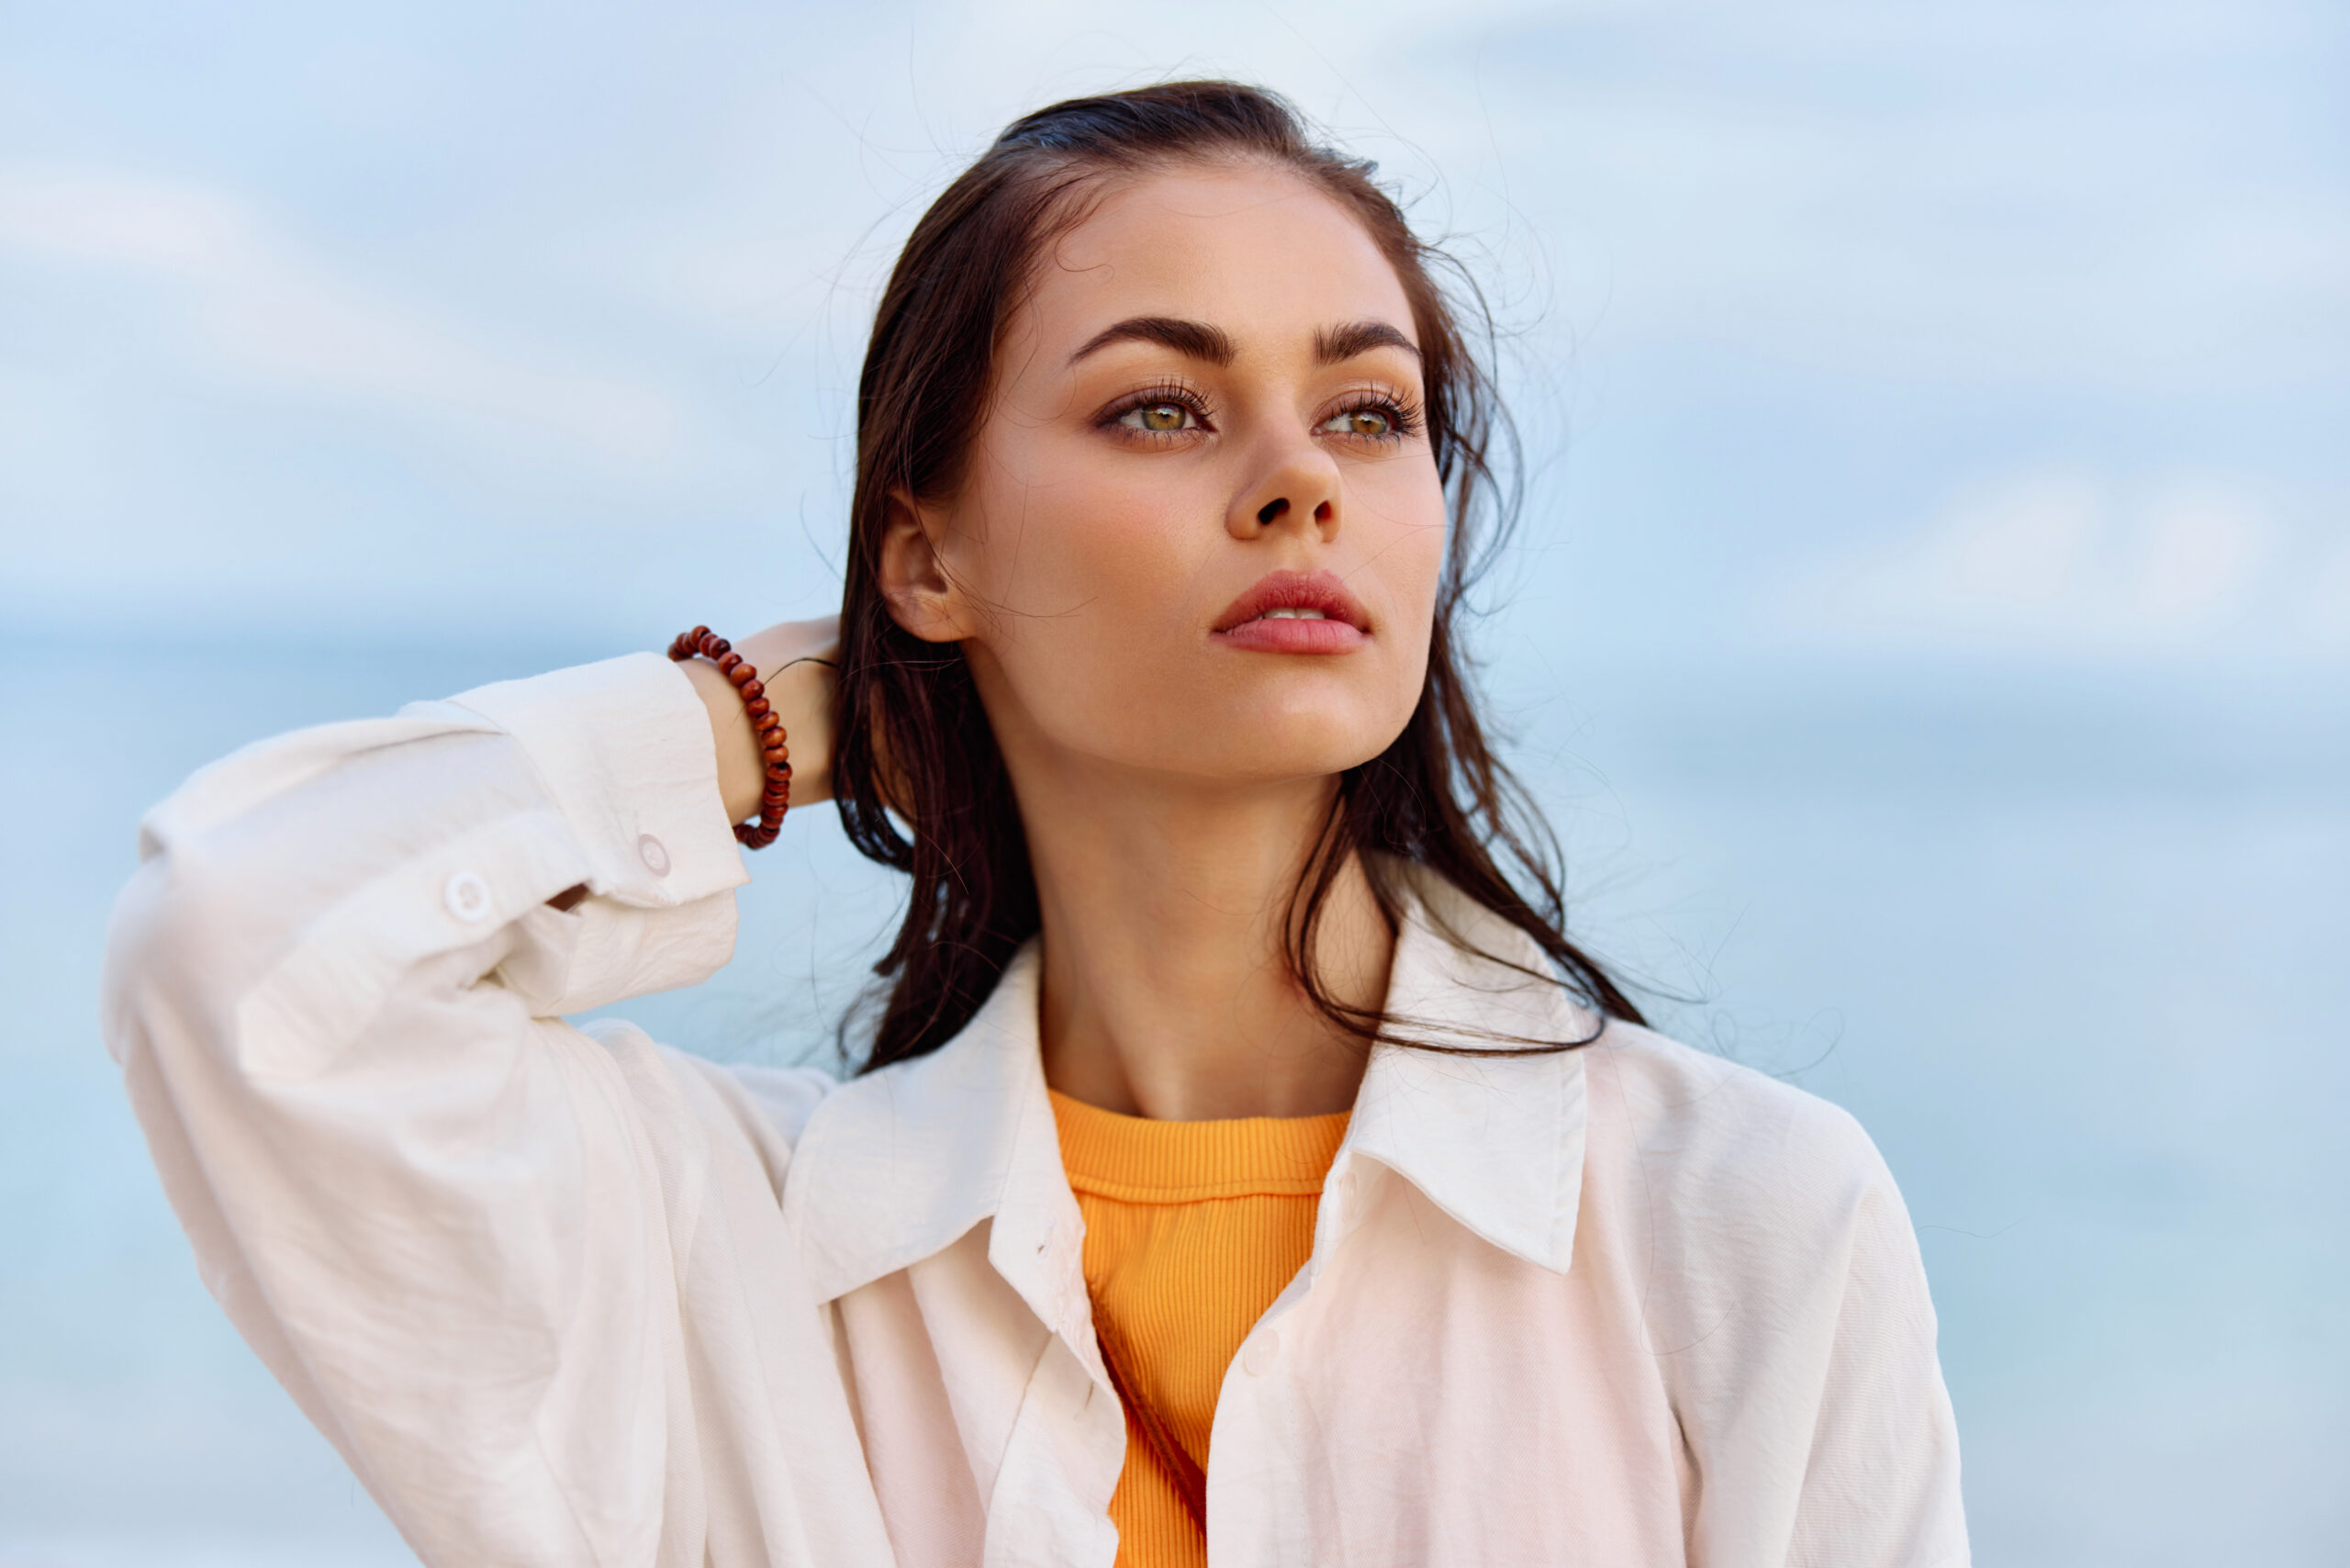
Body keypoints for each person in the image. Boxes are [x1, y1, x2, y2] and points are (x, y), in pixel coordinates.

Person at [101, 81, 1968, 1568]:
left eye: (1371, 410)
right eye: (1163, 407)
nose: (1297, 481)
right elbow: (242, 949)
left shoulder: (1734, 1218)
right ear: (927, 550)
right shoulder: (725, 1262)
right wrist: (757, 718)